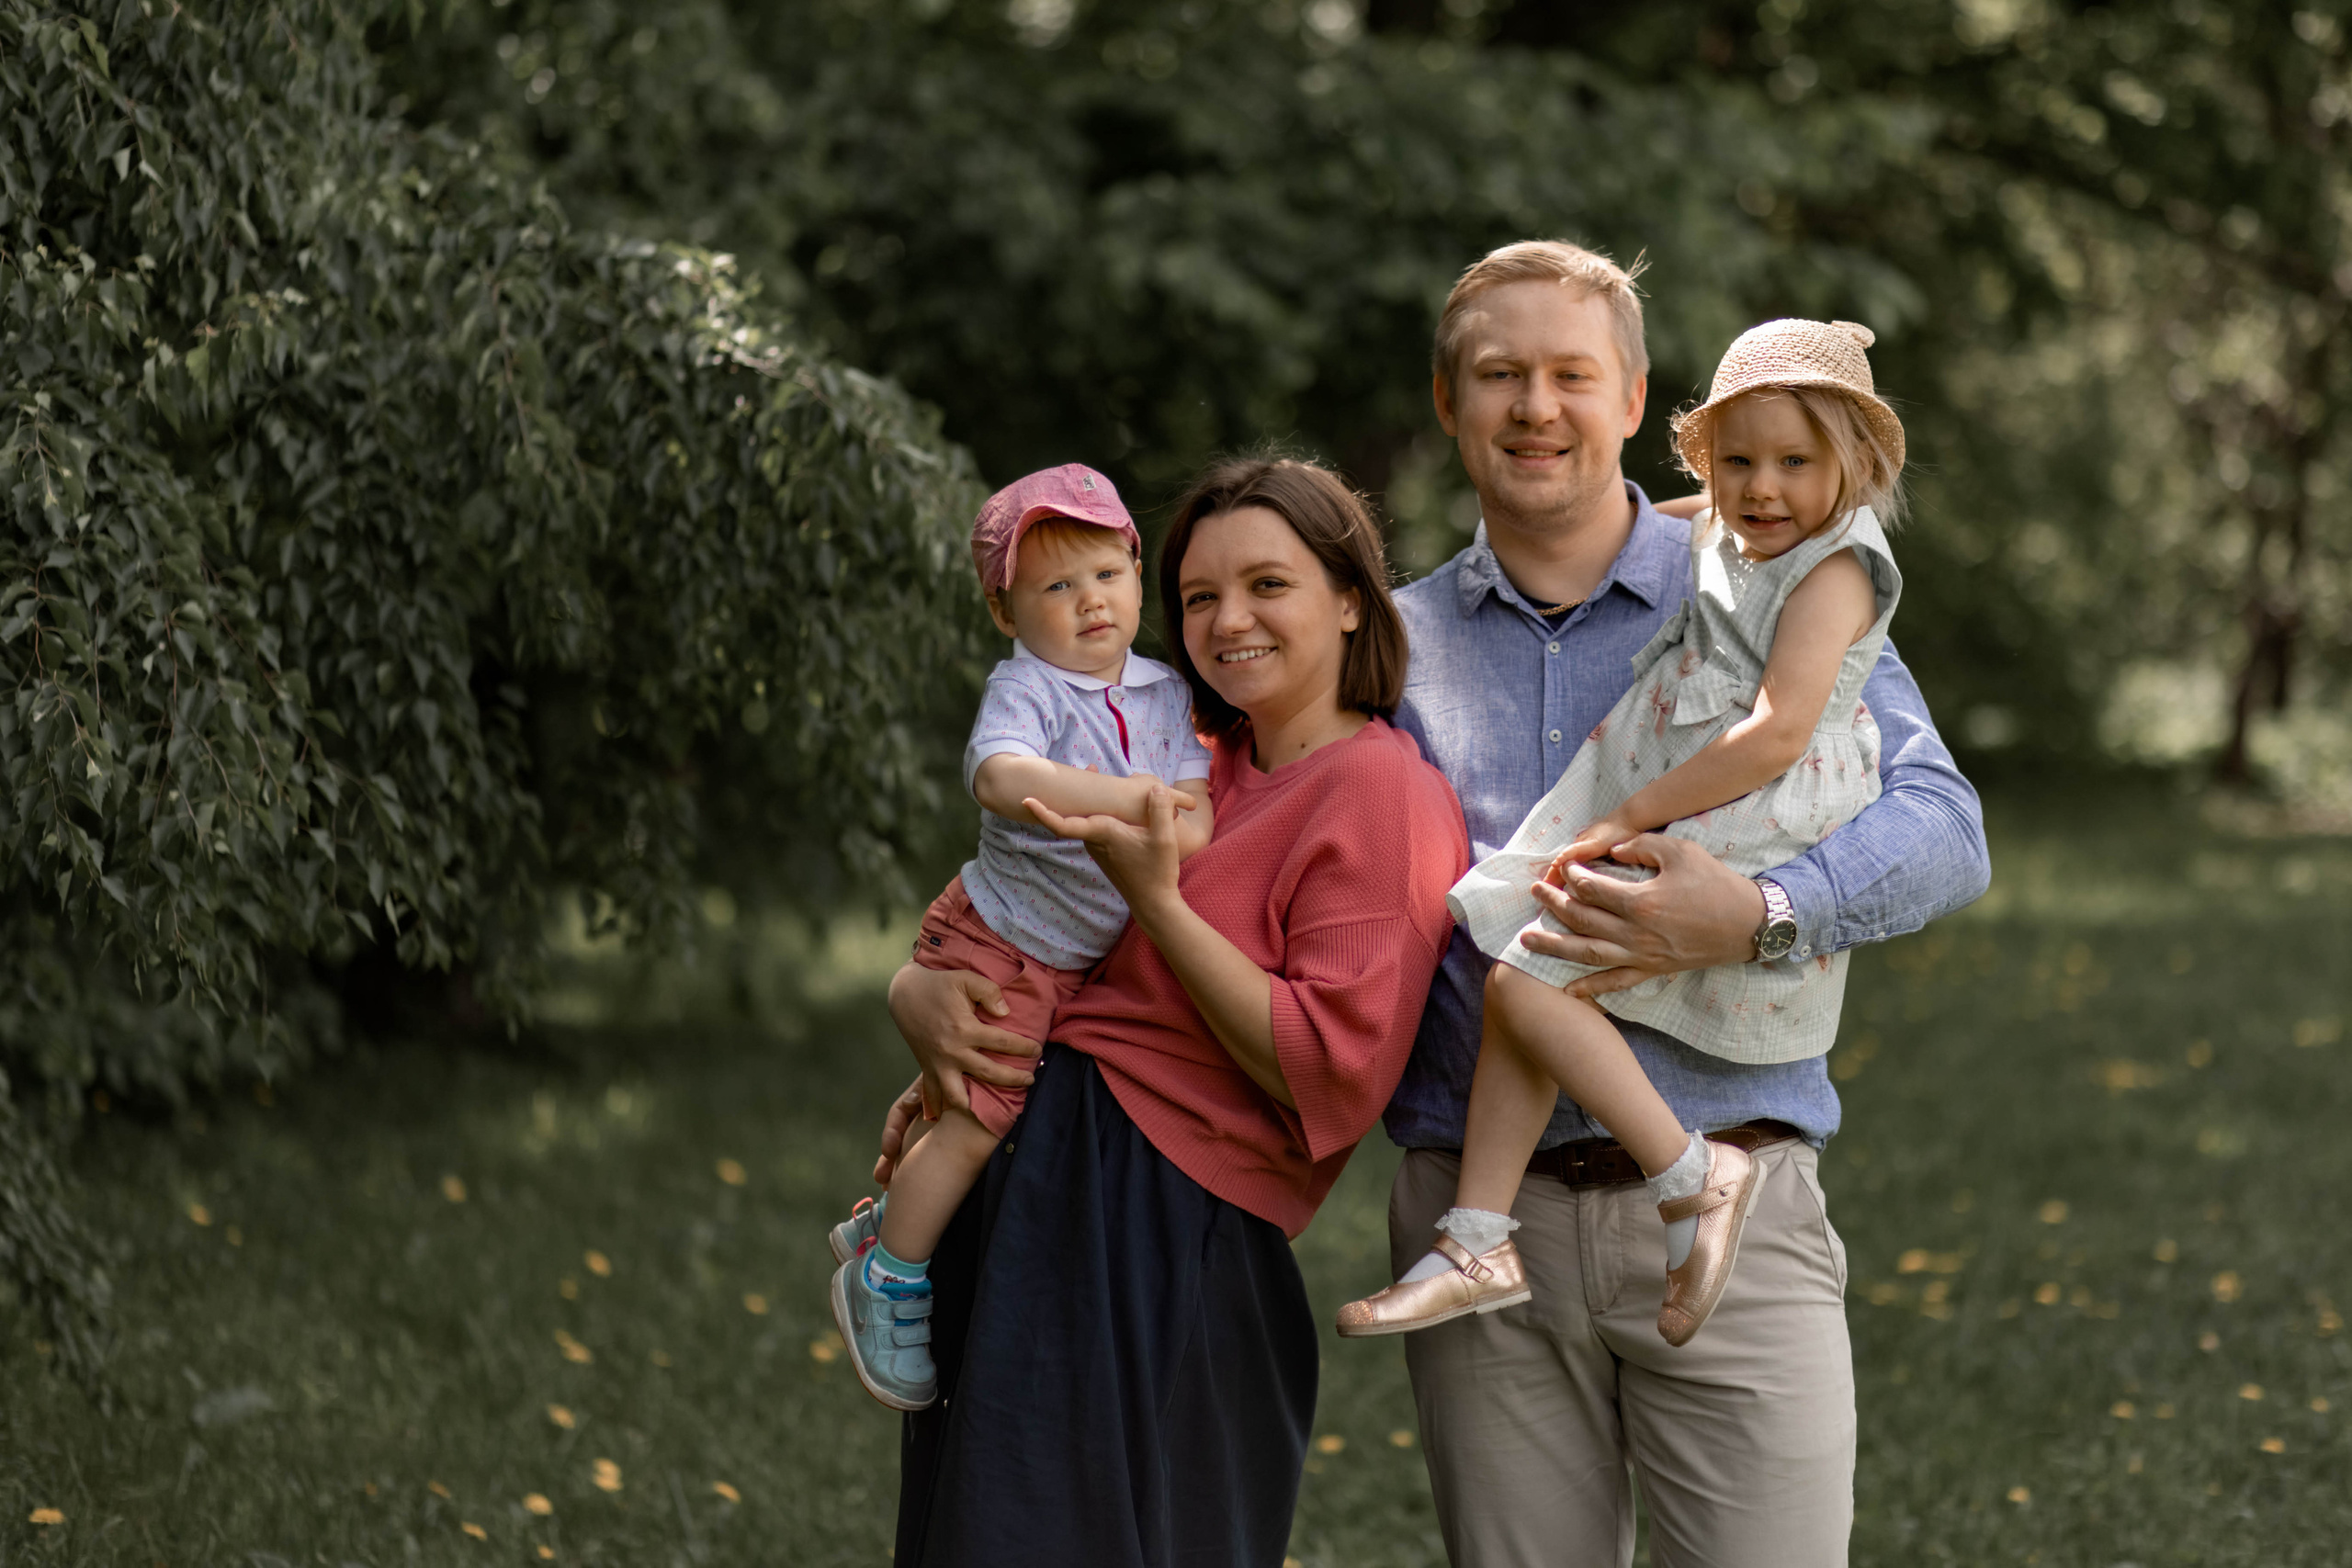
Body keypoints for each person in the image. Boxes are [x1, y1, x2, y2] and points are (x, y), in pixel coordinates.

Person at [1380, 242, 1987, 1567]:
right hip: (1485, 1215)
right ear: (1449, 401)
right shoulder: (1388, 646)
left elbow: (1947, 831)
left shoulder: (1773, 578)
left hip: (1740, 1189)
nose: (1536, 406)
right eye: (1499, 375)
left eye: (1570, 374)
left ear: (1633, 391)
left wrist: (1761, 909)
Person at [876, 456, 1470, 1567]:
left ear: (1350, 599)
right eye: (1200, 596)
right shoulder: (1190, 757)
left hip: (1164, 1214)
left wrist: (1160, 902)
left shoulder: (1381, 793)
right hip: (1043, 1169)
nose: (1226, 620)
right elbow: (1044, 923)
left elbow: (1329, 1070)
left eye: (1267, 587)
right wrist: (917, 992)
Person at [1340, 318, 1908, 1349]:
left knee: (1525, 978)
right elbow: (1695, 515)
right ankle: (1478, 1237)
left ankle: (1696, 1177)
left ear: (1854, 467)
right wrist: (1692, 505)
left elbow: (1780, 730)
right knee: (1518, 950)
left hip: (1746, 807)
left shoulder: (1833, 571)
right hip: (1707, 789)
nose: (1762, 489)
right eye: (1736, 463)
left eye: (1793, 463)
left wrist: (1630, 815)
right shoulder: (1738, 530)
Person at [826, 463, 1216, 1412]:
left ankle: (887, 1222)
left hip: (1068, 957)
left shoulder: (1165, 691)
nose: (1090, 603)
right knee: (980, 1118)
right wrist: (1131, 803)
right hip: (1000, 940)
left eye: (1106, 575)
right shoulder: (1028, 689)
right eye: (1055, 586)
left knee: (987, 1106)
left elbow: (1197, 813)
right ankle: (888, 1278)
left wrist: (1168, 821)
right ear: (1006, 614)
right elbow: (1000, 778)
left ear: (1135, 570)